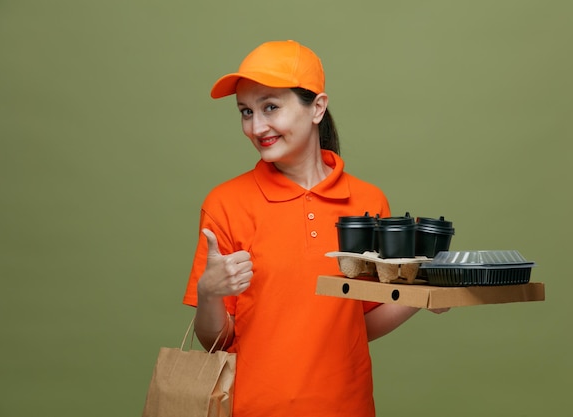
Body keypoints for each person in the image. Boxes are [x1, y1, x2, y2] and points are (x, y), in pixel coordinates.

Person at [183, 40, 449, 417]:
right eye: (245, 112)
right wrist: (209, 292)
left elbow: (359, 324)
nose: (256, 127)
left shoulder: (367, 203)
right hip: (251, 408)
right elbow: (218, 339)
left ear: (317, 108)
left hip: (346, 407)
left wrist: (427, 294)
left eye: (270, 107)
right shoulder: (225, 204)